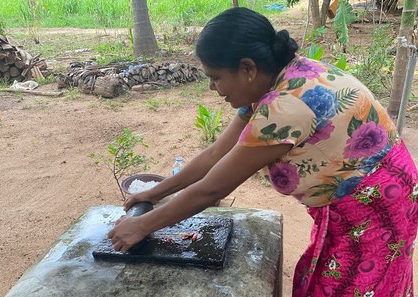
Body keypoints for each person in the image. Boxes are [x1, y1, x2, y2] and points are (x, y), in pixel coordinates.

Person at [108, 7, 418, 296]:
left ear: (247, 68)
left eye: (215, 77)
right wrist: (156, 191)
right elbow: (216, 153)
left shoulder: (284, 107)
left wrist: (143, 225)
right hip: (375, 188)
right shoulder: (276, 78)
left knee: (350, 286)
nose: (213, 88)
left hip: (376, 202)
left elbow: (213, 187)